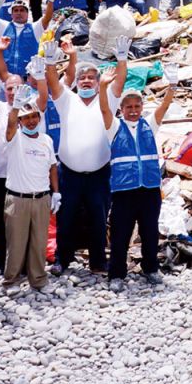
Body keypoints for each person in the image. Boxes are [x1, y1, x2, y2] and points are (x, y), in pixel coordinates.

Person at [44, 38, 125, 276]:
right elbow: (52, 84)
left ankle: (98, 261)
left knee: (98, 218)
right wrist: (51, 62)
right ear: (77, 82)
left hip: (99, 173)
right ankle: (62, 259)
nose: (87, 80)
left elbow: (120, 81)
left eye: (91, 77)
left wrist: (121, 59)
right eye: (82, 78)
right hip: (69, 173)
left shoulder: (107, 97)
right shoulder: (67, 100)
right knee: (66, 217)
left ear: (99, 82)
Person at [98, 66, 176, 289]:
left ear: (141, 107)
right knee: (121, 234)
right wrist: (103, 88)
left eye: (136, 106)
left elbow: (164, 106)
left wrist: (172, 87)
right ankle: (116, 274)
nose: (133, 110)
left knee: (150, 232)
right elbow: (104, 110)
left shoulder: (149, 125)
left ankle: (150, 269)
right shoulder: (114, 127)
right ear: (121, 109)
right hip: (124, 191)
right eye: (128, 106)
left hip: (149, 189)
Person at [0, 78, 59, 294]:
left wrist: (56, 193)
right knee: (16, 243)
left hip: (41, 198)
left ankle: (39, 280)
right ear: (21, 121)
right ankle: (11, 281)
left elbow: (52, 166)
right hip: (18, 199)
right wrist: (16, 108)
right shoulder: (15, 138)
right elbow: (9, 126)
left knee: (39, 242)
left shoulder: (46, 140)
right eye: (26, 118)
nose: (31, 121)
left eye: (34, 116)